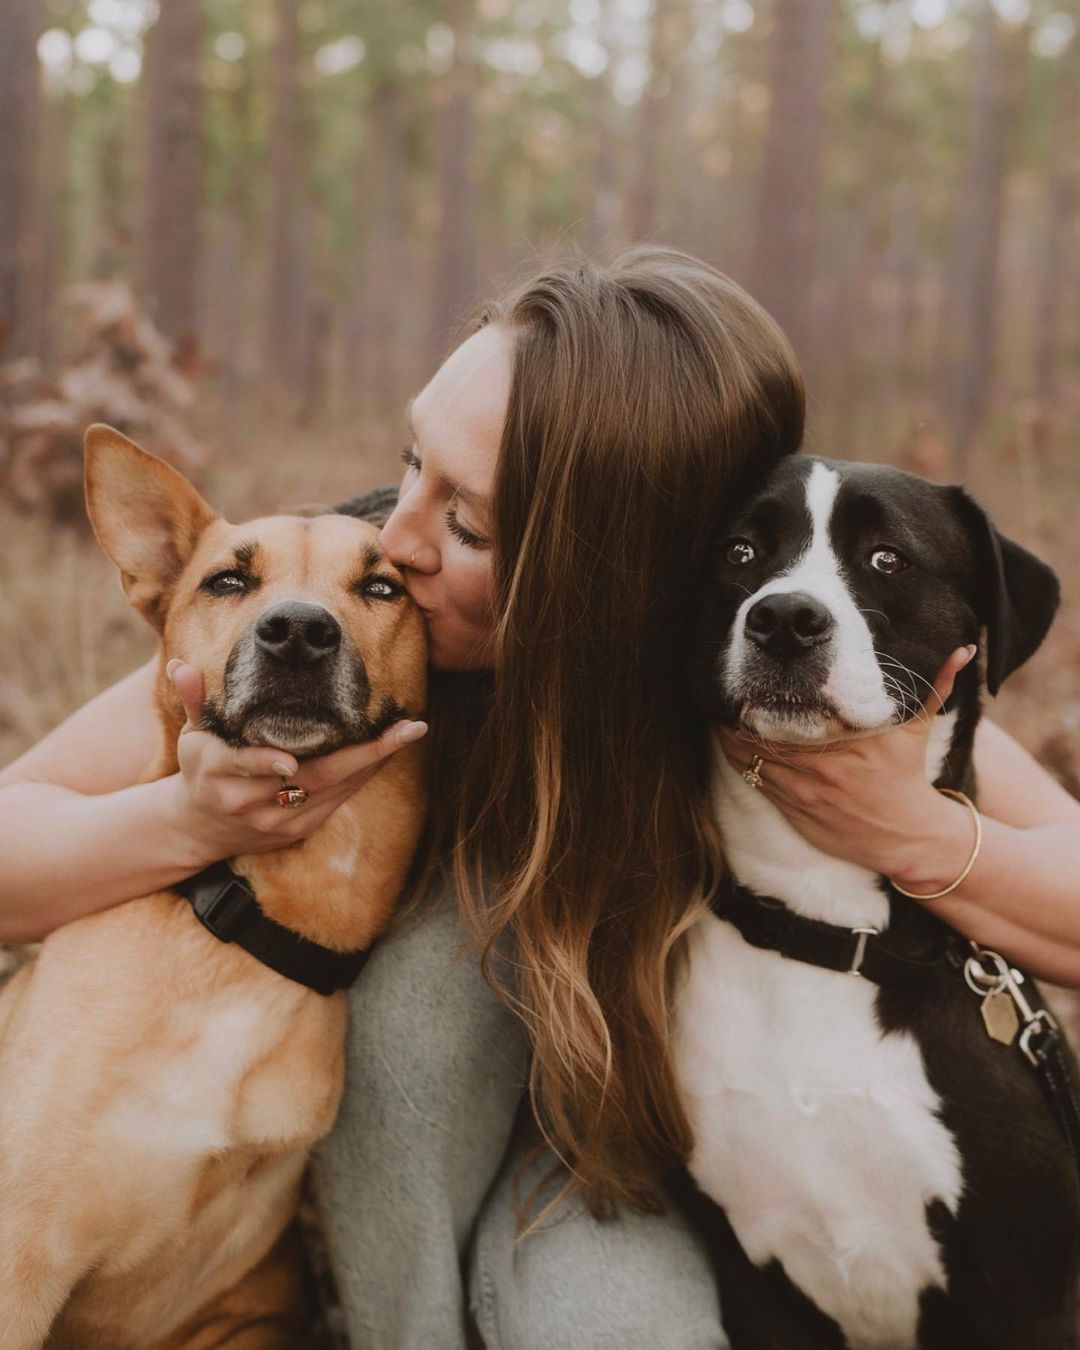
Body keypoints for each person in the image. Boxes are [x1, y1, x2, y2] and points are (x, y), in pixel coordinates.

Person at [1, 249, 1077, 1350]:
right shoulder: (346, 596)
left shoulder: (746, 653)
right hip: (397, 1130)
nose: (400, 535)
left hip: (612, 1157)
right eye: (412, 462)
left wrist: (917, 831)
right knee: (426, 996)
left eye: (468, 523)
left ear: (608, 574)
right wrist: (188, 821)